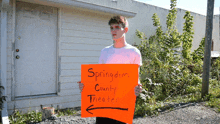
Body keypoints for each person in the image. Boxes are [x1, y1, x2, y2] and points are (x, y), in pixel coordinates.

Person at [77, 15, 142, 124]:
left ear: (125, 30)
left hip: (123, 103)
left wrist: (138, 88)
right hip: (104, 103)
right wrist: (86, 86)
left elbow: (136, 79)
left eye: (117, 27)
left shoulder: (134, 52)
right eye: (111, 28)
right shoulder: (105, 52)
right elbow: (99, 79)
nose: (113, 30)